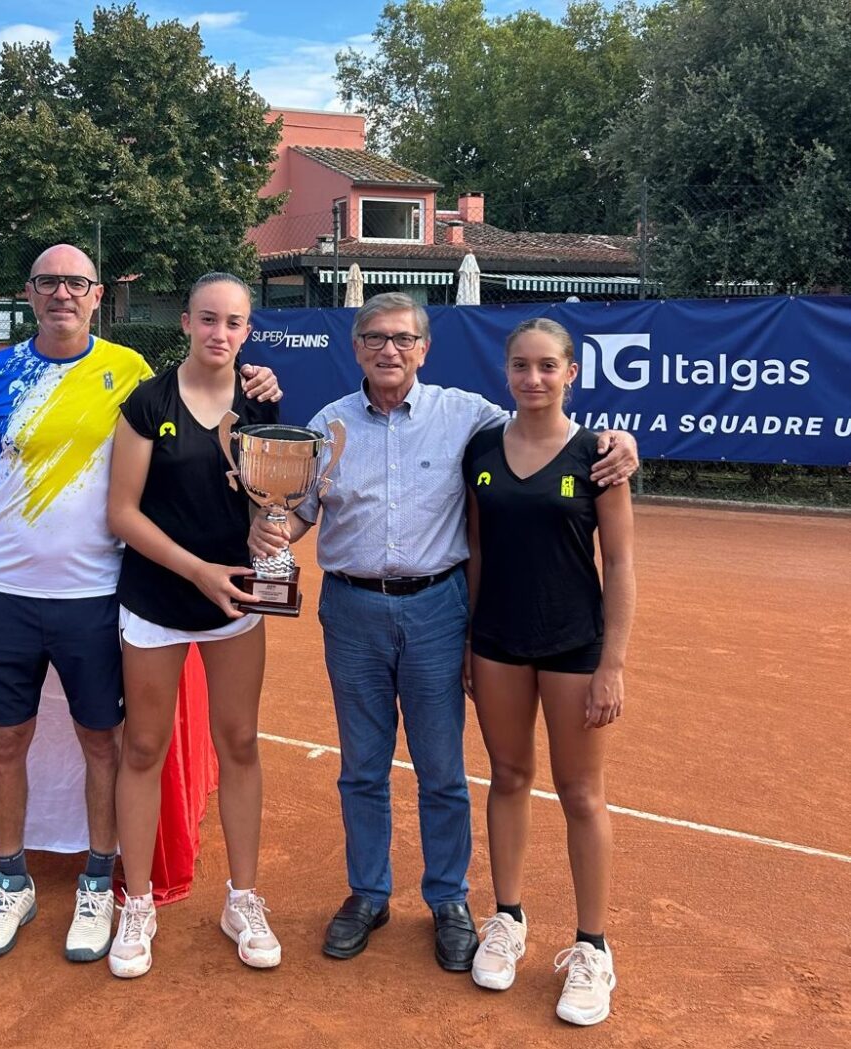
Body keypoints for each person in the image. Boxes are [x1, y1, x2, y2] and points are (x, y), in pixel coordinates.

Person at [249, 292, 637, 973]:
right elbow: (301, 510)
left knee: (441, 769)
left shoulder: (469, 417)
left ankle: (449, 899)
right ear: (356, 347)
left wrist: (620, 441)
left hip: (438, 610)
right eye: (375, 337)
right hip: (352, 611)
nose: (389, 349)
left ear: (425, 349)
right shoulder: (326, 426)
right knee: (362, 766)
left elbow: (544, 427)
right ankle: (369, 893)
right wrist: (274, 527)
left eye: (403, 338)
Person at [0, 246, 279, 963]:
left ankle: (100, 883)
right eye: (48, 281)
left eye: (75, 283)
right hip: (4, 590)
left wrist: (259, 379)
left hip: (96, 594)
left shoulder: (131, 373)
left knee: (106, 744)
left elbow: (210, 418)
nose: (62, 293)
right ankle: (11, 882)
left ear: (97, 294)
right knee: (5, 742)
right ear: (29, 292)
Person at [105, 272, 281, 979]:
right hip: (156, 600)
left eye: (234, 323)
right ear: (185, 322)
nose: (220, 333)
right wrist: (198, 570)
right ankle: (138, 901)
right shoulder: (148, 403)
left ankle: (243, 899)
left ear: (248, 331)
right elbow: (122, 513)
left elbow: (274, 500)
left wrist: (272, 530)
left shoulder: (263, 401)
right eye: (208, 319)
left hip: (235, 603)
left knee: (239, 743)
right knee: (144, 747)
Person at [462, 317, 634, 1026]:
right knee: (507, 777)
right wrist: (470, 638)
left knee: (581, 792)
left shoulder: (599, 454)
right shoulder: (480, 448)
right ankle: (507, 918)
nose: (533, 378)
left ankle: (593, 946)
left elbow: (619, 562)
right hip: (497, 642)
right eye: (520, 366)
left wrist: (612, 663)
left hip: (574, 647)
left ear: (570, 373)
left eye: (546, 366)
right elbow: (475, 550)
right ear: (506, 372)